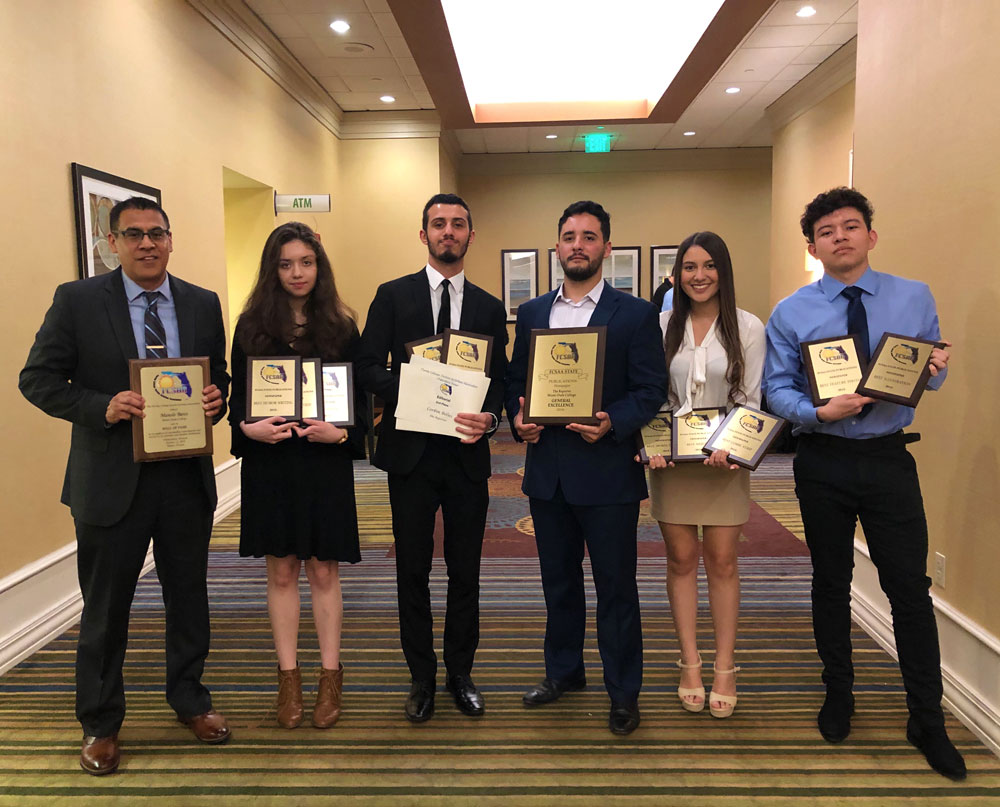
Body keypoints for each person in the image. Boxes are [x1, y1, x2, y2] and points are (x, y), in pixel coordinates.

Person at [19, 197, 231, 775]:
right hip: (110, 483)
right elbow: (36, 379)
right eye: (133, 234)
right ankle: (101, 722)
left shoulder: (201, 302)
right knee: (106, 609)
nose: (146, 243)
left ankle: (190, 698)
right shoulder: (79, 301)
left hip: (184, 480)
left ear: (170, 238)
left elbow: (219, 378)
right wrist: (101, 406)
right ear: (112, 242)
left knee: (188, 599)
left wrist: (217, 400)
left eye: (156, 233)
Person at [764, 187, 964, 780]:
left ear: (870, 236)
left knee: (909, 589)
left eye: (851, 227)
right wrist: (816, 414)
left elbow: (925, 377)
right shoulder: (791, 312)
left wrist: (937, 372)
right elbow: (778, 389)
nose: (841, 237)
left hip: (889, 461)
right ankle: (839, 694)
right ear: (813, 246)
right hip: (822, 461)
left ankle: (927, 717)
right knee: (831, 582)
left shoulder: (913, 296)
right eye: (828, 232)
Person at [505, 200, 667, 735]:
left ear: (606, 248)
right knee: (558, 584)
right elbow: (514, 383)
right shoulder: (531, 314)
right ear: (557, 246)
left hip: (607, 473)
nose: (578, 244)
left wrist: (612, 423)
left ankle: (624, 691)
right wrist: (519, 418)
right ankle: (564, 673)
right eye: (569, 236)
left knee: (616, 588)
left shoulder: (636, 313)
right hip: (547, 474)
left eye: (589, 237)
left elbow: (650, 390)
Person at [357, 193, 508, 722]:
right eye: (438, 224)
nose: (448, 232)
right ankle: (421, 676)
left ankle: (460, 672)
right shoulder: (392, 297)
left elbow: (501, 382)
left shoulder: (490, 307)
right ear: (423, 234)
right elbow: (367, 367)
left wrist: (490, 420)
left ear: (471, 234)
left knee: (466, 571)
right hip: (412, 457)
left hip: (467, 456)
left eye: (458, 224)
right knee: (413, 571)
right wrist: (414, 386)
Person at [228, 222, 363, 729]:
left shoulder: (342, 326)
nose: (296, 272)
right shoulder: (249, 326)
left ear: (319, 266)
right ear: (272, 268)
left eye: (305, 262)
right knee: (281, 571)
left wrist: (344, 435)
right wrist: (248, 428)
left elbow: (360, 400)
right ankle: (289, 680)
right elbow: (237, 399)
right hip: (272, 464)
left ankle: (332, 678)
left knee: (324, 571)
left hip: (324, 464)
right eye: (285, 263)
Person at [641, 232, 765, 719]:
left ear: (723, 271)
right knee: (680, 560)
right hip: (672, 464)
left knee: (723, 561)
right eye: (689, 267)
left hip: (726, 461)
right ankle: (689, 661)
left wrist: (730, 447)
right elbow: (652, 395)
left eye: (709, 266)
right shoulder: (660, 323)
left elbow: (751, 400)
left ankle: (725, 666)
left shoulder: (748, 326)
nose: (699, 276)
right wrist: (651, 445)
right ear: (678, 273)